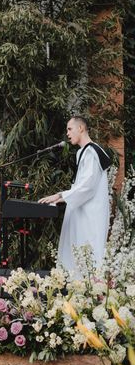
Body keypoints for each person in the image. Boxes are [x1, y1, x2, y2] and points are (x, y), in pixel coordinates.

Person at [39, 116, 111, 272]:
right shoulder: (81, 153)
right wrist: (62, 196)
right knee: (74, 252)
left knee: (88, 255)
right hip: (80, 211)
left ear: (81, 128)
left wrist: (60, 195)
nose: (67, 133)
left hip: (90, 214)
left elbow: (87, 186)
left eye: (70, 129)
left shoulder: (92, 152)